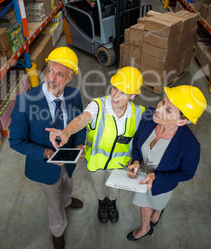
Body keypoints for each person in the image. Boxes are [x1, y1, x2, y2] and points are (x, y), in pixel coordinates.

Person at [9, 47, 86, 249]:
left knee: (67, 184)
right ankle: (58, 230)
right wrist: (46, 154)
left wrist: (79, 144)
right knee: (53, 201)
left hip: (69, 159)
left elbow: (80, 124)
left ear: (69, 78)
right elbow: (15, 141)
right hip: (45, 166)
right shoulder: (25, 102)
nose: (52, 78)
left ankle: (68, 201)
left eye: (60, 74)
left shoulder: (74, 96)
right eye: (50, 71)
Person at [46, 67, 145, 224]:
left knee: (114, 189)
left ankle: (111, 203)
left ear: (133, 95)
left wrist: (136, 161)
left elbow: (141, 141)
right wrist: (67, 131)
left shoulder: (139, 113)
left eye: (123, 92)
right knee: (99, 185)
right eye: (115, 88)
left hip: (119, 165)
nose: (115, 95)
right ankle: (102, 202)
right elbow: (83, 119)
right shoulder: (98, 106)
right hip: (95, 162)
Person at [126, 85, 207, 241]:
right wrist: (136, 160)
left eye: (169, 110)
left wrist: (157, 177)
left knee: (157, 203)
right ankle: (145, 229)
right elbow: (137, 141)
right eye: (163, 102)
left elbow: (187, 173)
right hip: (141, 176)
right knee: (144, 202)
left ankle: (158, 211)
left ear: (183, 121)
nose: (159, 109)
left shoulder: (189, 146)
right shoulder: (149, 116)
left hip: (163, 184)